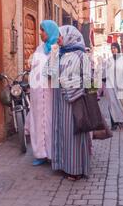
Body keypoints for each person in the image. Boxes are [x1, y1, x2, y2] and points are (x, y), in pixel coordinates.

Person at [51, 25, 92, 181]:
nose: (58, 39)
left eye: (60, 36)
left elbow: (88, 80)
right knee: (62, 133)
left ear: (69, 36)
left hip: (75, 99)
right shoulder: (60, 53)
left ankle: (76, 169)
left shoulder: (81, 55)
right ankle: (63, 165)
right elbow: (49, 74)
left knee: (74, 135)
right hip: (60, 101)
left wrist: (75, 89)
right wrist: (54, 55)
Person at [25, 20, 60, 166]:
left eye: (43, 31)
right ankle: (40, 153)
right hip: (37, 94)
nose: (40, 33)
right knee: (37, 122)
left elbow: (55, 71)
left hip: (50, 93)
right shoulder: (39, 49)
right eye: (40, 30)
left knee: (51, 122)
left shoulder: (56, 49)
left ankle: (52, 154)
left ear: (50, 31)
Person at [103, 42, 123, 130]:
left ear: (118, 49)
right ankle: (113, 123)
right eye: (112, 48)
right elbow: (104, 73)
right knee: (112, 103)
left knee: (121, 104)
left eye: (114, 48)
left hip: (120, 86)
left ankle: (121, 121)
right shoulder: (108, 60)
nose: (113, 49)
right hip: (110, 85)